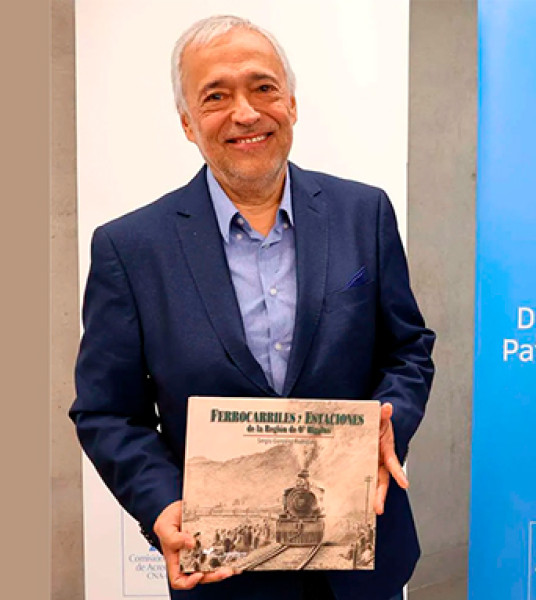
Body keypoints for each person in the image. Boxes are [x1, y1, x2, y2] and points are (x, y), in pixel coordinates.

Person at [69, 14, 435, 600]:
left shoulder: (363, 214)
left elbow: (408, 348)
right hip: (221, 569)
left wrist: (388, 423)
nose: (245, 112)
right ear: (188, 122)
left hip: (362, 563)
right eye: (216, 96)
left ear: (291, 103)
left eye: (263, 88)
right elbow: (108, 411)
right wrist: (163, 503)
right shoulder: (130, 248)